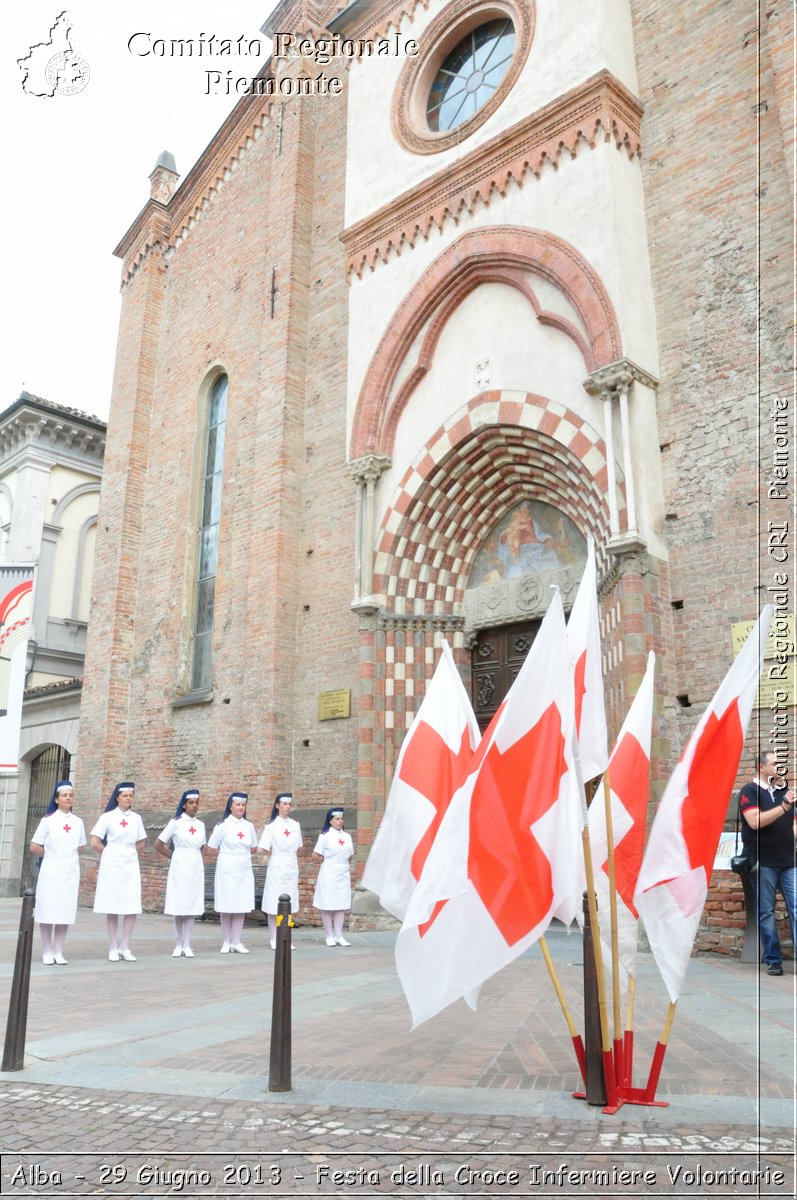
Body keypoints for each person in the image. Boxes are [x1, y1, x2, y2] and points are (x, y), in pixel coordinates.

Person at [739, 750, 796, 976]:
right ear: (761, 767)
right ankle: (773, 960)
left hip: (790, 860)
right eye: (775, 764)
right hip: (763, 862)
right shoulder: (749, 791)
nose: (780, 768)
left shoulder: (784, 790)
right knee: (766, 912)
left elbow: (793, 824)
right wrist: (783, 807)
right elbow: (754, 822)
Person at [29, 780, 86, 965]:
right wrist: (51, 855)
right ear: (56, 799)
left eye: (70, 795)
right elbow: (34, 846)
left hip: (70, 870)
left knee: (64, 910)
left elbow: (80, 846)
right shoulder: (48, 821)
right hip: (51, 869)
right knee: (48, 910)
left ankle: (58, 950)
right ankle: (47, 950)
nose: (68, 798)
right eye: (64, 795)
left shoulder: (78, 822)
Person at [90, 782, 147, 962]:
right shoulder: (107, 817)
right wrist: (110, 852)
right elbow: (94, 841)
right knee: (112, 904)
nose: (128, 798)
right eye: (124, 796)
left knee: (131, 905)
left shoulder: (136, 818)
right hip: (112, 861)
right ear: (117, 797)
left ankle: (125, 946)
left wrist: (128, 852)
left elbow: (141, 841)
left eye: (131, 796)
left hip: (130, 863)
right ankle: (113, 946)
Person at [155, 789, 206, 957]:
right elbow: (159, 843)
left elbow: (203, 848)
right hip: (179, 865)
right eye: (190, 803)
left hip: (195, 867)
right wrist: (174, 855)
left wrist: (198, 860)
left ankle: (187, 943)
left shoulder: (200, 825)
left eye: (196, 803)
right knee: (179, 906)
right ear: (184, 805)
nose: (194, 806)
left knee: (191, 906)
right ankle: (178, 943)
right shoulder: (176, 823)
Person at [205, 792, 257, 953]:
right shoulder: (223, 825)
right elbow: (211, 848)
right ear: (230, 806)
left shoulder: (249, 826)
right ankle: (226, 941)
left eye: (243, 805)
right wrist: (228, 855)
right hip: (227, 869)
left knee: (241, 905)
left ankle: (236, 940)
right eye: (238, 805)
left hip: (244, 869)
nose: (241, 807)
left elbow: (253, 847)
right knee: (227, 905)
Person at [258, 792, 302, 950]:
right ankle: (274, 937)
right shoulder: (272, 826)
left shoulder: (295, 825)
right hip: (277, 864)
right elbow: (262, 848)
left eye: (289, 804)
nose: (287, 807)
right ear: (277, 806)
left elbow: (298, 845)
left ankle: (286, 936)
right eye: (284, 804)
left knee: (288, 904)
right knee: (274, 903)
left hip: (291, 865)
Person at [312, 807, 354, 947]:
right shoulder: (325, 836)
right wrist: (327, 861)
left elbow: (351, 855)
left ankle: (339, 935)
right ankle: (329, 935)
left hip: (343, 873)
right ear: (330, 821)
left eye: (341, 819)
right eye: (337, 819)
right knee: (328, 905)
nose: (340, 821)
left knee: (340, 906)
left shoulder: (347, 837)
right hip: (329, 872)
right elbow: (315, 855)